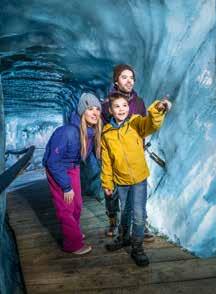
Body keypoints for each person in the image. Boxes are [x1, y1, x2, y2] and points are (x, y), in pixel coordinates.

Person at [101, 92, 171, 267]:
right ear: (110, 109)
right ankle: (123, 238)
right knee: (125, 212)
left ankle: (137, 248)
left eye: (124, 105)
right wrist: (107, 183)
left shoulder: (136, 122)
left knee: (138, 215)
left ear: (129, 107)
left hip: (139, 179)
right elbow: (107, 161)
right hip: (121, 181)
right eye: (117, 106)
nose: (121, 109)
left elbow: (151, 124)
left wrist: (157, 109)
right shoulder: (107, 133)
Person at [43, 93, 102, 255]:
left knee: (77, 205)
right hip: (58, 168)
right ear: (83, 111)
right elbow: (52, 162)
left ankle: (73, 232)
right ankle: (72, 243)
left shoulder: (91, 132)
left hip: (73, 167)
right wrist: (66, 186)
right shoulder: (67, 132)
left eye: (98, 109)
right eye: (90, 108)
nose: (95, 112)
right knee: (66, 208)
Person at [102, 64, 154, 241]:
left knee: (138, 200)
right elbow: (104, 132)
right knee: (116, 198)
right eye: (124, 77)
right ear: (116, 81)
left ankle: (140, 226)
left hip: (134, 156)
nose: (129, 81)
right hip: (115, 158)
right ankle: (113, 221)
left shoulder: (138, 102)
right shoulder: (106, 104)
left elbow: (144, 126)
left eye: (131, 77)